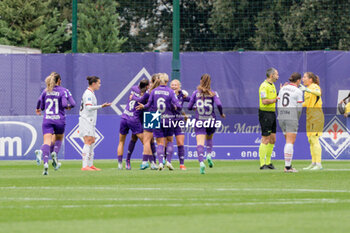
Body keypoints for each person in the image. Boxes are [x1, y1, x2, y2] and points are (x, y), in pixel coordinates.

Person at [137, 73, 181, 170]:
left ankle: (155, 162)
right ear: (167, 81)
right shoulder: (170, 91)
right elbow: (178, 105)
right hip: (168, 117)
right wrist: (175, 110)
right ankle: (167, 161)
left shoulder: (152, 91)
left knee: (154, 141)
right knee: (168, 140)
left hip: (154, 116)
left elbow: (146, 103)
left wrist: (141, 104)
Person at [35, 72, 76, 175]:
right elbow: (71, 104)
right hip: (59, 120)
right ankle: (55, 154)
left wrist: (38, 109)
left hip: (47, 119)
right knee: (58, 138)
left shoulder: (46, 91)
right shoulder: (64, 91)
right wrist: (68, 106)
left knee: (47, 142)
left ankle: (45, 164)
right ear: (59, 81)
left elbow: (40, 102)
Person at [188, 74, 225, 174]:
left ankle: (201, 163)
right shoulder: (213, 93)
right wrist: (221, 113)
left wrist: (194, 107)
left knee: (200, 143)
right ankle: (209, 154)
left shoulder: (195, 93)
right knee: (209, 138)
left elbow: (189, 107)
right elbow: (219, 104)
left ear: (201, 81)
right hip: (211, 120)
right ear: (210, 82)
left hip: (200, 120)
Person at [79, 76, 111, 171]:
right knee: (88, 141)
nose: (99, 85)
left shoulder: (91, 93)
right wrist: (101, 106)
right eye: (99, 83)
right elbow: (88, 107)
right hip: (86, 120)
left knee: (92, 141)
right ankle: (85, 166)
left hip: (91, 121)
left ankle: (90, 164)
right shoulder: (88, 94)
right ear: (94, 84)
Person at [117, 79, 149, 170]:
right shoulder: (146, 95)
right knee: (146, 142)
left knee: (121, 141)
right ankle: (152, 162)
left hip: (124, 116)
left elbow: (136, 90)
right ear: (146, 86)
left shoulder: (134, 88)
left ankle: (120, 164)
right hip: (134, 119)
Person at [131, 74, 160, 170]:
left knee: (146, 141)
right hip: (156, 115)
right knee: (152, 140)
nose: (149, 84)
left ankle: (144, 162)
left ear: (152, 82)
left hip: (149, 115)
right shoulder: (159, 91)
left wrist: (133, 97)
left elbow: (140, 100)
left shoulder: (149, 92)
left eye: (150, 82)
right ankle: (154, 162)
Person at [277, 72, 303, 173]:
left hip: (281, 116)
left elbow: (278, 102)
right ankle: (288, 167)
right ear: (298, 81)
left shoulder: (283, 88)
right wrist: (297, 117)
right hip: (291, 116)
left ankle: (288, 165)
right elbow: (299, 108)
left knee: (287, 141)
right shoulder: (298, 91)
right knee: (290, 142)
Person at [300, 72, 324, 170]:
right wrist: (298, 104)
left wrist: (307, 89)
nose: (303, 79)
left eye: (305, 77)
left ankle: (319, 164)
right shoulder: (306, 91)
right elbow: (307, 103)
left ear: (310, 79)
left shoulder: (314, 86)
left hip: (316, 116)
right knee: (310, 140)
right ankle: (313, 163)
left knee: (314, 139)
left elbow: (319, 93)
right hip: (309, 116)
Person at [258, 68, 279, 170]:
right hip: (265, 113)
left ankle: (268, 162)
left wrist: (280, 93)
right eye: (276, 74)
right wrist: (276, 100)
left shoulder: (272, 85)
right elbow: (264, 101)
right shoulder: (264, 86)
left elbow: (274, 98)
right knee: (265, 138)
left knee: (273, 138)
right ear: (272, 75)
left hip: (272, 112)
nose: (277, 76)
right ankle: (262, 164)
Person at [170, 79, 190, 170]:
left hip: (179, 121)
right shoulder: (169, 94)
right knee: (168, 143)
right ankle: (167, 162)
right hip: (168, 120)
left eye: (175, 85)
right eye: (172, 85)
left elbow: (191, 100)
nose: (174, 86)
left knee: (180, 143)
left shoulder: (182, 95)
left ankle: (182, 164)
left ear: (179, 86)